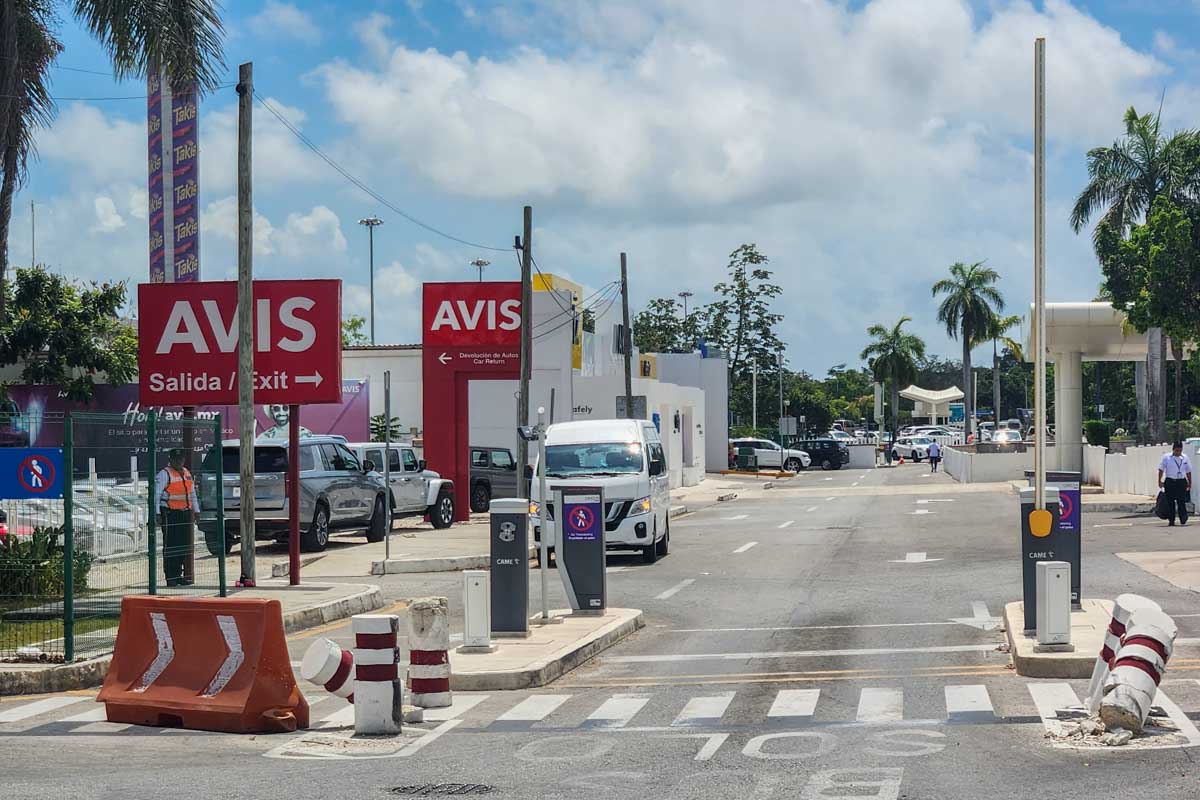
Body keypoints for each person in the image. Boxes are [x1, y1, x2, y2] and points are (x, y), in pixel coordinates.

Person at [154, 448, 199, 586]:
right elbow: (156, 494)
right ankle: (170, 576)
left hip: (184, 512)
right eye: (176, 459)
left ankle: (178, 575)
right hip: (169, 513)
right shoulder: (164, 474)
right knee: (171, 545)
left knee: (183, 545)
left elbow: (192, 493)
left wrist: (196, 510)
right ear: (171, 460)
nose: (179, 461)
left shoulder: (186, 473)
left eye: (181, 459)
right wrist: (157, 513)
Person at [1158, 441, 1193, 527]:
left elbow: (1188, 471)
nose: (1178, 452)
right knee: (1170, 502)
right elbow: (1161, 469)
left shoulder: (1185, 458)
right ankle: (1171, 520)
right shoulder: (1166, 457)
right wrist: (1159, 481)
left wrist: (1189, 482)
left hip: (1181, 481)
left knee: (1181, 501)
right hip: (1170, 481)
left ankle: (1183, 518)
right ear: (1173, 449)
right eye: (1176, 450)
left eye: (1180, 450)